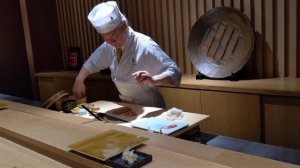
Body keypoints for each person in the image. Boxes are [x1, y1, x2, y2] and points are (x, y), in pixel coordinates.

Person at [72, 1, 181, 108]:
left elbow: (175, 73)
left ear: (125, 25)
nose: (112, 42)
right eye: (107, 38)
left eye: (115, 35)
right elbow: (92, 63)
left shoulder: (145, 45)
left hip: (150, 108)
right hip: (127, 107)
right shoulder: (109, 46)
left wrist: (154, 79)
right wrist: (79, 80)